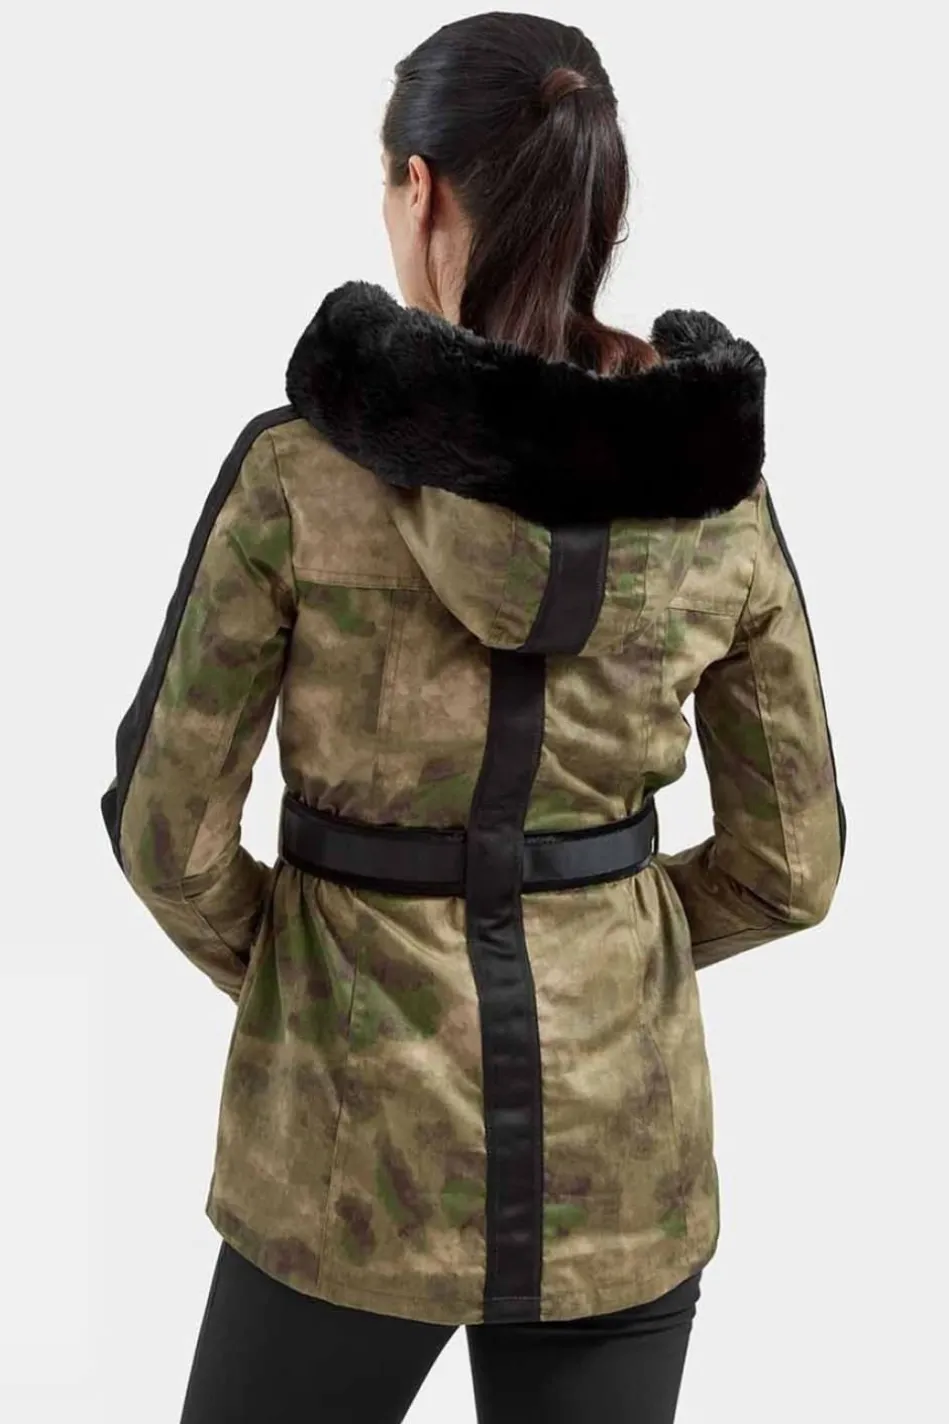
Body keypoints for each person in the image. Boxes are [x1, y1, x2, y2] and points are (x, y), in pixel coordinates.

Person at [101, 12, 845, 1423]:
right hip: (622, 1162)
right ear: (596, 203)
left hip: (340, 1153)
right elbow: (792, 866)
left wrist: (315, 975)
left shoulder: (299, 480)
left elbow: (166, 832)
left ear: (421, 184)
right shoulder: (715, 503)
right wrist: (606, 949)